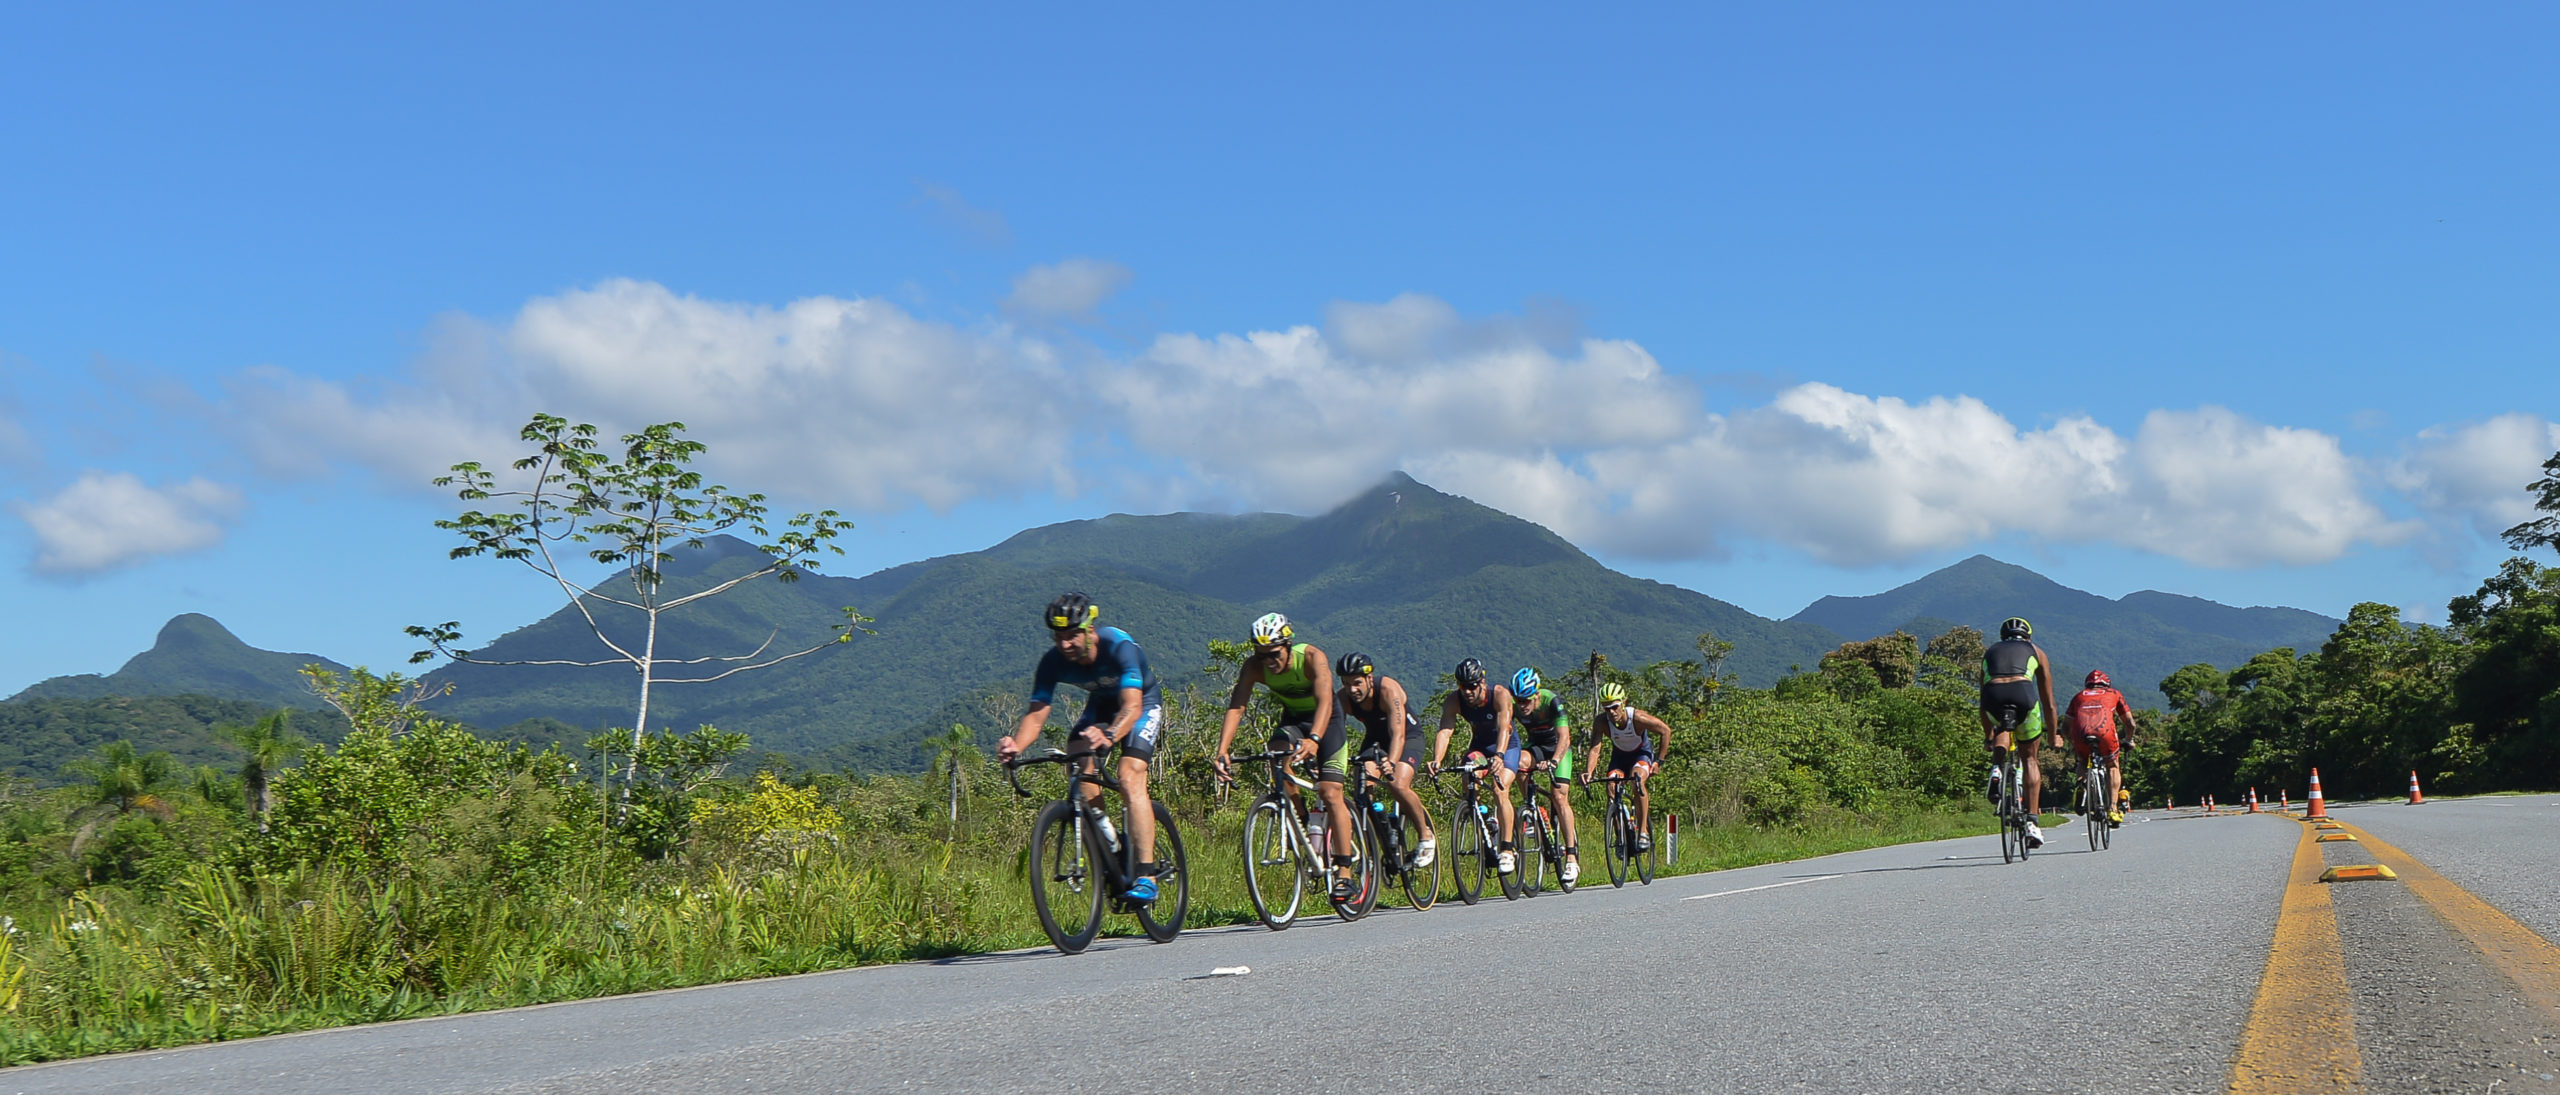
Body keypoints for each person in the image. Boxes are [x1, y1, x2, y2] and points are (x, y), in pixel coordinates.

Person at [996, 593, 1166, 901]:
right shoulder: (1052, 662)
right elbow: (1036, 715)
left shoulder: (1119, 646)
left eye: (1072, 635)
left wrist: (1110, 736)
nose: (1065, 644)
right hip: (1100, 707)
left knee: (1129, 777)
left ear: (1089, 630)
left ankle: (1147, 874)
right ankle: (1110, 842)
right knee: (1078, 764)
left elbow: (1132, 707)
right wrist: (1015, 745)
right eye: (1058, 637)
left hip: (1140, 706)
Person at [1212, 613, 1356, 899]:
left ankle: (1344, 872)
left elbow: (1327, 701)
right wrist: (1222, 750)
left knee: (1330, 792)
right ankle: (1300, 817)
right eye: (1261, 654)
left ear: (1288, 645)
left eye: (1274, 653)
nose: (1268, 661)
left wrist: (1314, 739)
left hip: (1327, 722)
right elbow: (1237, 706)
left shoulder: (1312, 657)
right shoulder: (1254, 667)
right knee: (1276, 756)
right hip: (1293, 721)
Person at [1335, 651, 1436, 868]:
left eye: (1357, 683)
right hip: (1375, 739)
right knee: (1362, 788)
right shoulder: (1343, 698)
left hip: (1408, 737)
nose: (1352, 689)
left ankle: (1425, 835)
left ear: (1370, 679)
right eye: (1346, 683)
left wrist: (1390, 762)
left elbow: (1398, 733)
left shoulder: (1388, 689)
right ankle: (1373, 845)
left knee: (1397, 784)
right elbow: (1334, 732)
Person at [1429, 657, 1519, 876]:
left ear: (1482, 682)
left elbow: (1504, 727)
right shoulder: (1455, 700)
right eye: (1462, 686)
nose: (1467, 692)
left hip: (1506, 746)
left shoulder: (1498, 695)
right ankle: (1482, 818)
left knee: (1500, 789)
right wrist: (1437, 760)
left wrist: (1499, 755)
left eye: (1471, 686)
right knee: (1469, 773)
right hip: (1480, 747)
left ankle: (1507, 849)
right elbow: (1446, 730)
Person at [1980, 616, 2061, 849]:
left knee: (2003, 726)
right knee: (2029, 759)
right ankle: (2033, 822)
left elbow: (1981, 702)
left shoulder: (1990, 652)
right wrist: (2052, 735)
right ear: (2028, 636)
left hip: (1993, 698)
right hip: (2022, 694)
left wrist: (1988, 736)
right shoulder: (2036, 651)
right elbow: (2049, 703)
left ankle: (1996, 769)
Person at [1509, 668, 1581, 884]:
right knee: (1519, 764)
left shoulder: (1551, 701)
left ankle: (1571, 857)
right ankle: (1532, 808)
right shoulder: (1513, 707)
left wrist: (1555, 761)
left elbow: (1564, 737)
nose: (1522, 705)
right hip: (1537, 747)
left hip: (1559, 749)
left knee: (1559, 797)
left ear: (1536, 695)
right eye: (1518, 700)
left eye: (1526, 700)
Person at [1580, 681, 1670, 853]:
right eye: (1607, 708)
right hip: (1620, 758)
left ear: (1624, 702)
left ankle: (1643, 831)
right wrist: (1588, 772)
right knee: (1611, 789)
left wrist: (1659, 761)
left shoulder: (1637, 718)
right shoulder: (1601, 722)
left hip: (1641, 754)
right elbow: (1595, 748)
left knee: (1637, 781)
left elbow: (1665, 731)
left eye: (1614, 707)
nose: (1611, 712)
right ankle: (1620, 837)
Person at [2065, 669, 2142, 827]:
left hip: (2081, 734)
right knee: (2112, 765)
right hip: (2105, 733)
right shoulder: (2113, 693)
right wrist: (2129, 739)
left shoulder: (2078, 696)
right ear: (2107, 684)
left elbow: (2065, 727)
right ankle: (2112, 808)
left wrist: (2072, 742)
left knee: (2082, 761)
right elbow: (2130, 723)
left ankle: (2081, 786)